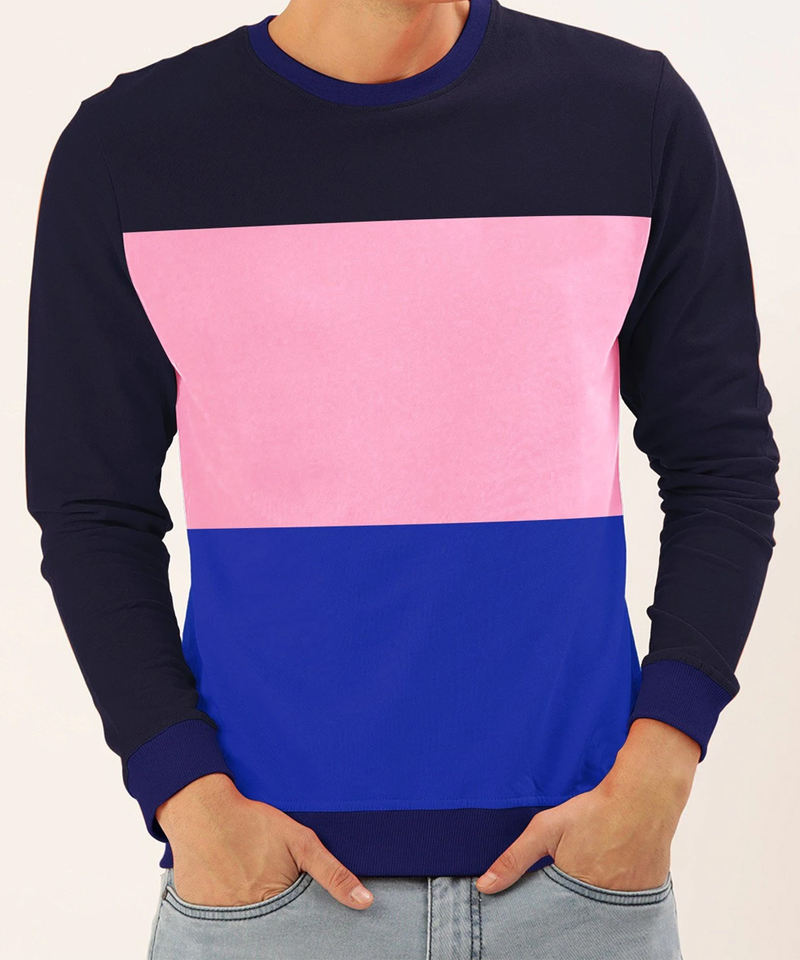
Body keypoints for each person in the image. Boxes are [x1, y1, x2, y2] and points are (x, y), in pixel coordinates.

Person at [25, 1, 780, 958]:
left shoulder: (631, 115)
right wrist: (185, 794)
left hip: (580, 891)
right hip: (268, 900)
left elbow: (723, 465)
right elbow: (91, 510)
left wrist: (661, 767)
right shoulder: (130, 148)